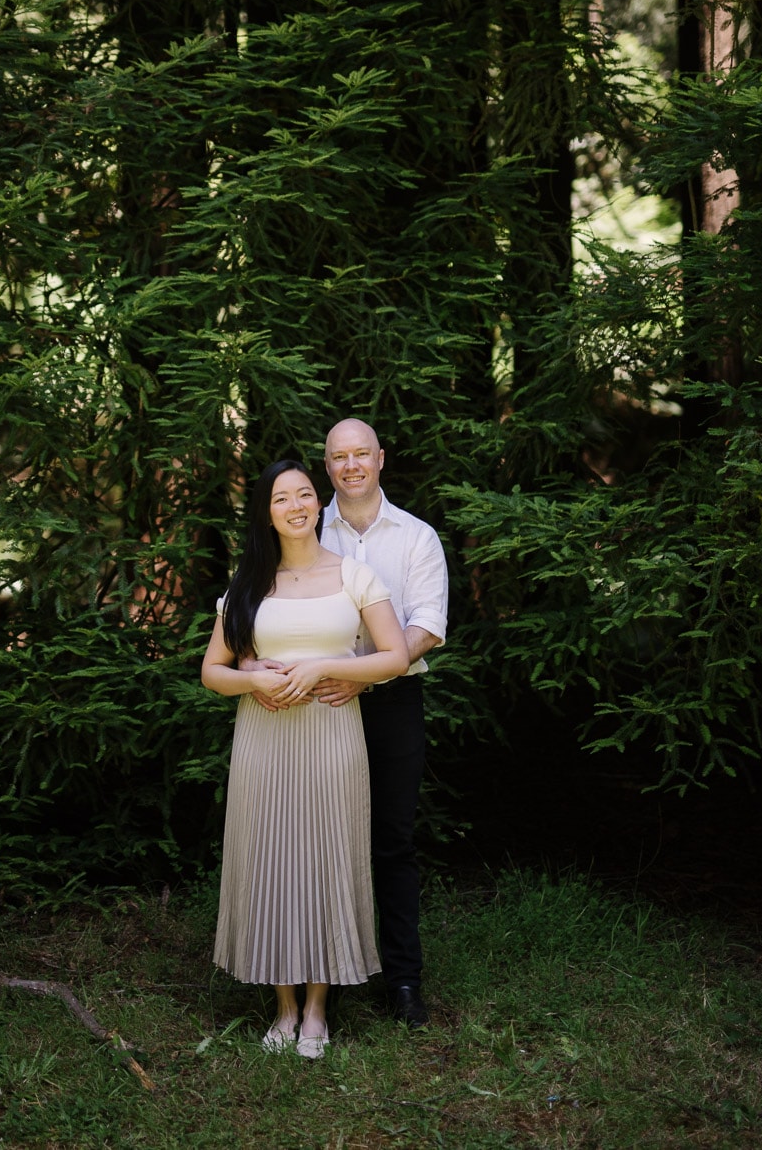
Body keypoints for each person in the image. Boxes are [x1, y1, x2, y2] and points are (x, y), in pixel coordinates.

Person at [201, 458, 409, 1060]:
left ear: (318, 504)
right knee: (270, 860)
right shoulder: (246, 587)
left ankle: (318, 1008)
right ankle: (283, 1007)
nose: (295, 505)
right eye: (280, 498)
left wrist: (324, 667)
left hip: (332, 736)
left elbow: (393, 657)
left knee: (325, 858)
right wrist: (253, 679)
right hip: (263, 743)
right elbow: (213, 672)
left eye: (304, 495)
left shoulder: (355, 576)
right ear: (266, 513)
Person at [318, 418, 447, 1029]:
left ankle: (402, 982)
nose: (351, 466)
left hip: (394, 703)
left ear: (381, 459)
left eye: (360, 454)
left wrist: (367, 673)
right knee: (321, 840)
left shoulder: (417, 537)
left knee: (391, 843)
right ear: (327, 467)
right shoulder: (305, 528)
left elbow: (427, 626)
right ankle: (327, 978)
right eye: (339, 457)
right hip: (318, 704)